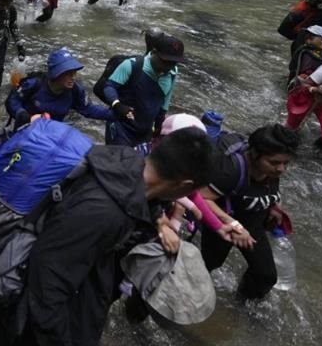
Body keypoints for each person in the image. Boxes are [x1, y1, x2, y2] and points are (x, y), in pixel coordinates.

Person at [21, 129, 216, 346]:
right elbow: (47, 284)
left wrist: (159, 220)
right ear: (185, 185)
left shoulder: (124, 161)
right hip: (38, 320)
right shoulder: (105, 212)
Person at [198, 124, 299, 299]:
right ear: (254, 155)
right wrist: (233, 225)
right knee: (205, 267)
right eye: (275, 162)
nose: (281, 169)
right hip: (223, 226)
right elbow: (202, 198)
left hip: (253, 224)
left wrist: (275, 205)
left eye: (286, 163)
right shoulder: (231, 170)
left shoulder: (271, 172)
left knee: (265, 276)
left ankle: (243, 305)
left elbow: (269, 188)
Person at [102, 34, 185, 148]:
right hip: (121, 127)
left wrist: (159, 124)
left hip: (145, 131)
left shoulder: (172, 73)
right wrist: (117, 104)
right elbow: (109, 87)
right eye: (165, 62)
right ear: (154, 52)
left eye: (173, 63)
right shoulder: (132, 65)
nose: (168, 66)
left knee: (141, 164)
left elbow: (165, 101)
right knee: (119, 162)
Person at [6, 48, 111, 131]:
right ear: (56, 73)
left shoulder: (76, 90)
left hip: (53, 134)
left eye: (74, 72)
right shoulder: (34, 84)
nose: (73, 77)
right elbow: (12, 100)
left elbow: (89, 109)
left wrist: (118, 114)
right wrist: (23, 115)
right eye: (68, 73)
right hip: (26, 130)